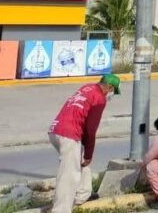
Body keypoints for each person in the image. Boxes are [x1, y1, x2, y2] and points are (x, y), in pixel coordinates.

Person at [48, 74, 120, 213]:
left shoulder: (87, 88)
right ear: (109, 87)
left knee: (81, 162)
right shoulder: (99, 99)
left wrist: (86, 155)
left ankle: (83, 194)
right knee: (69, 175)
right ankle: (60, 210)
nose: (111, 95)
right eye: (113, 92)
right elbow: (90, 129)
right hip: (68, 135)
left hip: (55, 130)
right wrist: (89, 153)